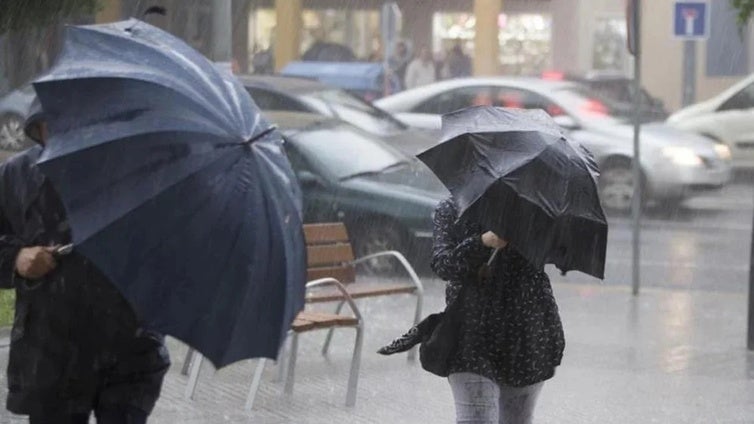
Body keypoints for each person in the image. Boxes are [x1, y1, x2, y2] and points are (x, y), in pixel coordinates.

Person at [0, 100, 170, 424]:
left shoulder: (140, 174)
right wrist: (16, 259)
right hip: (50, 359)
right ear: (38, 128)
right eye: (53, 127)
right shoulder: (16, 177)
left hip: (129, 355)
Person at [431, 198, 564, 424]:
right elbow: (444, 265)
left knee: (517, 420)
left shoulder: (536, 208)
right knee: (475, 420)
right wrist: (483, 242)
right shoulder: (453, 208)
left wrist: (528, 229)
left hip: (525, 334)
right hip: (470, 335)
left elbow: (560, 252)